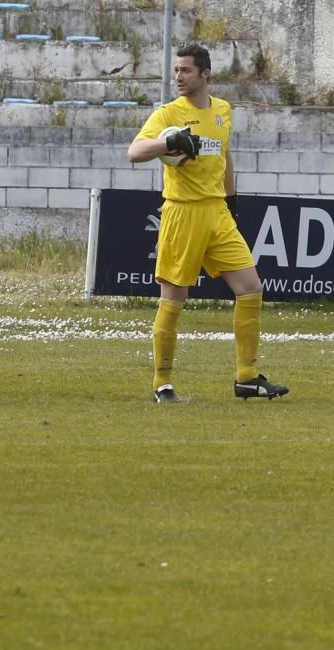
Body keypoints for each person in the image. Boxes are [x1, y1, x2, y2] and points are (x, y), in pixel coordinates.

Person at [126, 43, 288, 403]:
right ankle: (162, 384)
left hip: (218, 211)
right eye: (176, 70)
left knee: (250, 287)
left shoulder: (223, 111)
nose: (178, 77)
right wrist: (168, 141)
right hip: (183, 212)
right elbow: (134, 153)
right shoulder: (168, 113)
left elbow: (226, 156)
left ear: (205, 74)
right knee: (175, 297)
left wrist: (231, 204)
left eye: (185, 70)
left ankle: (246, 377)